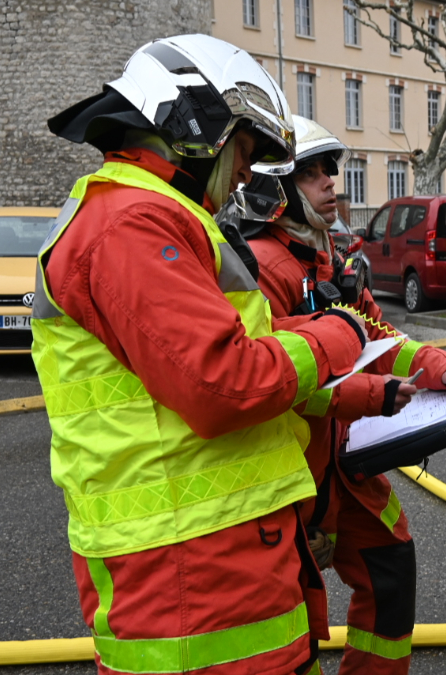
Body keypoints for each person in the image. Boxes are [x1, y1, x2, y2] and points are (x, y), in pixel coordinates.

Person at [36, 35, 369, 675]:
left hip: (211, 572)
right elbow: (223, 382)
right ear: (196, 129)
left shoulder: (157, 218)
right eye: (244, 150)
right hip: (188, 587)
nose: (247, 172)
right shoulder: (130, 226)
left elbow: (245, 354)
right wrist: (336, 335)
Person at [244, 115, 446, 675]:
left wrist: (435, 364)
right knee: (288, 624)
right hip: (288, 474)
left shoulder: (328, 258)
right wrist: (376, 394)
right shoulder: (260, 269)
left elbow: (376, 337)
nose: (331, 182)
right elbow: (279, 382)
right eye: (313, 172)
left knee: (391, 567)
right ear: (272, 187)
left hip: (344, 467)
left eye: (332, 168)